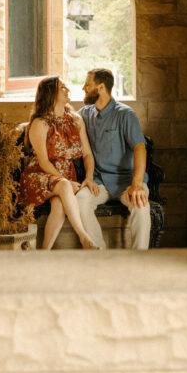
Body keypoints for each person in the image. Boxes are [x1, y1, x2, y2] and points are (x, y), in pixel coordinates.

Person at [18, 76, 102, 250]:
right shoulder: (40, 123)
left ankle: (44, 252)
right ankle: (84, 238)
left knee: (59, 204)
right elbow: (43, 161)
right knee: (63, 186)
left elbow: (87, 153)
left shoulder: (76, 120)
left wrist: (89, 177)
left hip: (63, 179)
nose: (68, 90)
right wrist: (65, 180)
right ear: (51, 93)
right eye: (62, 87)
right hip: (39, 175)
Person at [76, 68, 151, 249]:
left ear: (101, 87)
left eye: (88, 84)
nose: (83, 88)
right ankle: (99, 253)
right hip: (99, 182)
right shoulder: (85, 114)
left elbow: (140, 148)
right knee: (81, 200)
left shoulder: (125, 114)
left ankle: (139, 258)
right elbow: (58, 119)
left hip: (127, 181)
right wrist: (25, 125)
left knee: (141, 206)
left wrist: (138, 184)